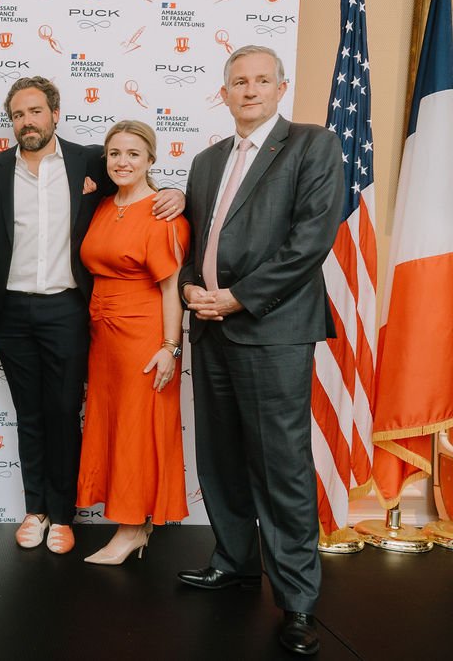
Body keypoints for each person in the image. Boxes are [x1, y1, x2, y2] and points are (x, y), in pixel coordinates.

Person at [176, 45, 344, 656]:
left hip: (271, 328)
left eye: (261, 81)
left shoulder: (312, 145)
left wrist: (238, 298)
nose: (249, 90)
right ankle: (235, 560)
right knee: (219, 455)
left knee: (281, 467)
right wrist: (192, 286)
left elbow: (309, 242)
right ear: (224, 93)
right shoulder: (205, 160)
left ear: (280, 88)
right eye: (238, 82)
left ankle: (298, 601)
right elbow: (196, 242)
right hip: (211, 328)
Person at [0, 77, 184, 554]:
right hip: (10, 311)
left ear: (54, 113)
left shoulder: (91, 159)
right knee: (28, 413)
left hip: (68, 309)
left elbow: (138, 182)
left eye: (35, 112)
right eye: (18, 115)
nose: (27, 121)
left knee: (64, 412)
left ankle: (64, 514)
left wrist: (179, 193)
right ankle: (36, 509)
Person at [75, 121, 190, 564]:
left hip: (144, 334)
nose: (123, 162)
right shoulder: (103, 205)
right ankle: (127, 523)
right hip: (103, 335)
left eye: (134, 154)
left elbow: (170, 288)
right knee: (112, 426)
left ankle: (132, 529)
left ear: (151, 160)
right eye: (115, 154)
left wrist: (169, 346)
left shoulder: (162, 214)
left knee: (137, 432)